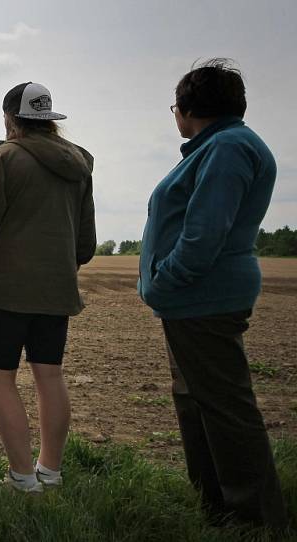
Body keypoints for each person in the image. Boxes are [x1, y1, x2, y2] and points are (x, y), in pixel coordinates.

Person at [138, 59, 287, 530]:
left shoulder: (227, 149)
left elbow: (204, 236)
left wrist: (164, 280)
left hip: (205, 298)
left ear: (187, 108)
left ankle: (255, 520)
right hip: (193, 301)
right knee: (199, 404)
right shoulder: (220, 147)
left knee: (224, 409)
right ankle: (218, 509)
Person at [0, 82, 96, 493]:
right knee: (49, 375)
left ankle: (22, 477)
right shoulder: (80, 164)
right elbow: (86, 243)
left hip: (6, 291)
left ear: (10, 119)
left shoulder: (2, 159)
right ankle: (50, 472)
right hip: (56, 291)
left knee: (0, 379)